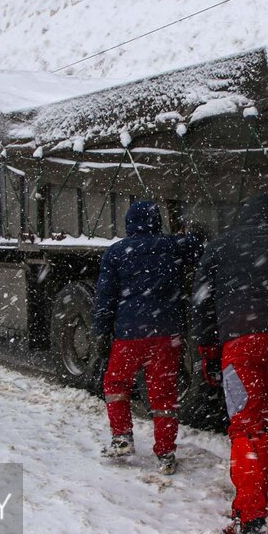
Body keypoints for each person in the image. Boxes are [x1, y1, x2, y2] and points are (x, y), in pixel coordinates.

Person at [193, 194, 268, 534]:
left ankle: (249, 514)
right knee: (265, 420)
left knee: (244, 425)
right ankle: (259, 496)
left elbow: (202, 299)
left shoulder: (221, 245)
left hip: (239, 342)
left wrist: (207, 344)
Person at [93, 200, 200, 475]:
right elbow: (197, 247)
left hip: (129, 333)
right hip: (166, 334)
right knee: (164, 393)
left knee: (117, 383)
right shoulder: (172, 246)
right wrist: (193, 233)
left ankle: (122, 438)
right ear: (156, 221)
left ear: (129, 224)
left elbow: (105, 297)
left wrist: (102, 332)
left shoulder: (116, 253)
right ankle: (165, 453)